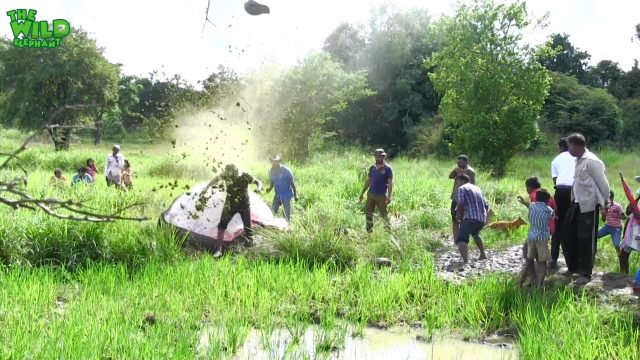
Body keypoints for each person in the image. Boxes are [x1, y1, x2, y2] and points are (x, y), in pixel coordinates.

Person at [562, 133, 610, 280]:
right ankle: (573, 267)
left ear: (577, 146)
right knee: (568, 235)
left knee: (586, 238)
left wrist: (606, 203)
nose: (569, 149)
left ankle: (585, 270)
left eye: (570, 146)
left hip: (589, 204)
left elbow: (603, 184)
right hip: (576, 203)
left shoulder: (592, 161)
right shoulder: (578, 160)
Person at [213, 164, 262, 256]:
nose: (233, 177)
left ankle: (250, 247)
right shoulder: (226, 175)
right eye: (231, 176)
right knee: (221, 226)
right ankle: (218, 249)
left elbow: (258, 182)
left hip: (244, 205)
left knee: (248, 228)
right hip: (230, 205)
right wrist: (207, 187)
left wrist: (259, 188)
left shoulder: (245, 176)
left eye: (235, 175)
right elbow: (216, 179)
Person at [518, 189, 555, 288]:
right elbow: (554, 217)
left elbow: (528, 205)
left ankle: (519, 284)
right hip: (542, 239)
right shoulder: (548, 209)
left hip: (531, 238)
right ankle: (539, 287)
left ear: (537, 198)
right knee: (542, 263)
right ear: (547, 200)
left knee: (528, 261)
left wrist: (523, 201)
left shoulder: (532, 206)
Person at [550, 138, 575, 269]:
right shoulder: (577, 157)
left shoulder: (556, 160)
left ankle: (553, 259)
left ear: (560, 147)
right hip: (575, 193)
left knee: (558, 225)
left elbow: (555, 181)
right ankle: (573, 262)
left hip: (560, 192)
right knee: (573, 225)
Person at [517, 177, 557, 259]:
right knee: (539, 248)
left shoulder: (533, 195)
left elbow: (537, 209)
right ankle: (537, 265)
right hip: (550, 226)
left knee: (527, 248)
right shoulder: (546, 193)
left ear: (529, 187)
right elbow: (554, 209)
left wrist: (524, 203)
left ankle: (531, 267)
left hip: (541, 228)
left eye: (526, 187)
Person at [454, 174, 489, 263]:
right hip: (480, 219)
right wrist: (486, 218)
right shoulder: (478, 189)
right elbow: (486, 205)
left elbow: (460, 203)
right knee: (475, 234)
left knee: (461, 239)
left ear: (461, 180)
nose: (457, 184)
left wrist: (460, 216)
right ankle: (483, 254)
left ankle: (465, 261)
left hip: (469, 218)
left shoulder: (462, 188)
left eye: (457, 181)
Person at [358, 148, 393, 233]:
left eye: (379, 157)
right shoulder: (372, 168)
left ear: (383, 157)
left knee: (384, 214)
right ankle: (369, 232)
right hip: (371, 195)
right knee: (368, 213)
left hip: (381, 196)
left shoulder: (388, 169)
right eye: (376, 157)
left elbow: (390, 184)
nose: (377, 159)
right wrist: (362, 192)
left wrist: (388, 197)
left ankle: (389, 232)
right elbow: (368, 180)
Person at [448, 155, 476, 242]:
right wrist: (455, 170)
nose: (458, 164)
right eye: (457, 163)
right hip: (456, 198)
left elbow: (467, 182)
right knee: (454, 219)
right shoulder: (459, 170)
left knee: (464, 219)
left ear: (466, 162)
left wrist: (460, 173)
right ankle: (456, 240)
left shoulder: (469, 171)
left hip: (465, 200)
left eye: (460, 162)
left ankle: (463, 240)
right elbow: (450, 176)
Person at [266, 155, 298, 222]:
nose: (274, 163)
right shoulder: (271, 171)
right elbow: (272, 182)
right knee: (272, 212)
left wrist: (295, 195)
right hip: (277, 195)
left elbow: (292, 184)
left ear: (279, 161)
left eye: (276, 161)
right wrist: (269, 188)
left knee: (286, 215)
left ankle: (288, 228)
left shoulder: (286, 171)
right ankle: (271, 227)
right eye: (273, 161)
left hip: (287, 195)